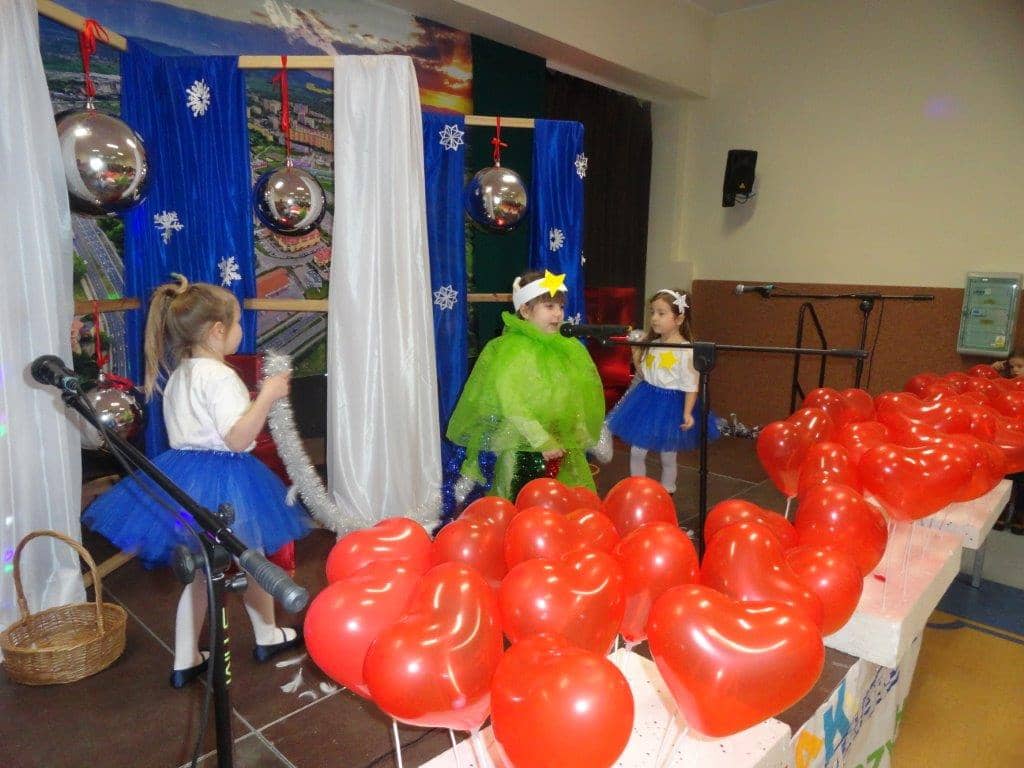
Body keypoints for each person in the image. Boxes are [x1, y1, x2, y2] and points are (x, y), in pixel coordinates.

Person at [83, 275, 309, 687]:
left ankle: (187, 658)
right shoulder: (220, 377)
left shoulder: (181, 375)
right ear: (217, 330)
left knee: (204, 571)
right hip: (228, 482)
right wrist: (267, 395)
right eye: (237, 323)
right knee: (251, 558)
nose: (240, 331)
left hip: (185, 480)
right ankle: (267, 635)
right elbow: (238, 439)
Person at [446, 269, 606, 501]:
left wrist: (576, 425)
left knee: (562, 497)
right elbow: (511, 400)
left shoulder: (565, 347)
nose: (558, 313)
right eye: (549, 306)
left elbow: (572, 391)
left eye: (561, 306)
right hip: (522, 440)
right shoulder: (512, 349)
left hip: (560, 438)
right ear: (525, 311)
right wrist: (541, 439)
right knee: (521, 497)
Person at [606, 288, 719, 494]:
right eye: (652, 313)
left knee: (668, 454)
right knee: (637, 450)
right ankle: (637, 486)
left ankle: (668, 489)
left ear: (679, 319)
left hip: (671, 404)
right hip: (647, 399)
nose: (654, 318)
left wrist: (687, 412)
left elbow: (691, 384)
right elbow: (644, 374)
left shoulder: (686, 350)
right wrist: (636, 352)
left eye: (661, 313)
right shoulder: (653, 344)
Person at [993, 351, 1024, 534]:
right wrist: (993, 370)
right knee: (1005, 479)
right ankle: (1001, 512)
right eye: (1012, 366)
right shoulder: (1006, 386)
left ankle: (1020, 515)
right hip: (1008, 442)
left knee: (1022, 482)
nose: (1015, 370)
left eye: (1020, 366)